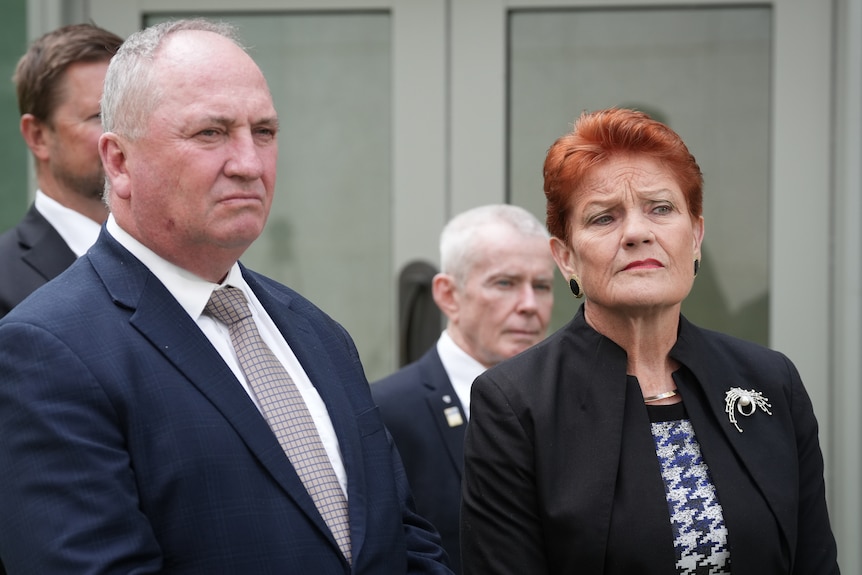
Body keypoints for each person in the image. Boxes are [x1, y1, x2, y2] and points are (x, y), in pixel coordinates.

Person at [0, 19, 452, 574]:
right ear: (118, 162)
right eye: (210, 133)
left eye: (263, 132)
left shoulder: (316, 332)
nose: (249, 163)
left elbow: (405, 538)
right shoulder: (47, 351)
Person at [460, 108, 840, 574]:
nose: (638, 233)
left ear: (696, 236)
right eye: (604, 218)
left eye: (661, 208)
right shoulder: (516, 405)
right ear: (565, 258)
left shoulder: (769, 380)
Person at [373, 203, 555, 573]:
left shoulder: (572, 402)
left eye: (542, 286)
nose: (529, 305)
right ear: (448, 295)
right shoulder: (384, 411)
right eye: (505, 283)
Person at [0, 23, 123, 318]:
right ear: (38, 136)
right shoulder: (5, 281)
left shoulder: (181, 260)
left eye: (130, 114)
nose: (121, 135)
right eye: (100, 116)